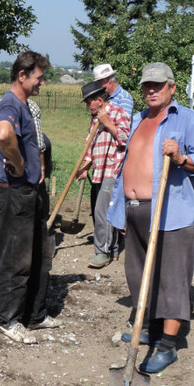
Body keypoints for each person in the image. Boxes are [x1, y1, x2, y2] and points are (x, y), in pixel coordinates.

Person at [107, 62, 194, 373]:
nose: (151, 90)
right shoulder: (138, 119)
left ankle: (167, 347)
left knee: (172, 281)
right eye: (146, 85)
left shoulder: (187, 120)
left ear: (172, 87)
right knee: (141, 276)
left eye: (157, 85)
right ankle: (149, 329)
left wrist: (182, 157)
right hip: (135, 211)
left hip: (171, 213)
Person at [0, 50, 59, 344]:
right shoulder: (10, 104)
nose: (41, 84)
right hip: (14, 192)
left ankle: (34, 316)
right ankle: (9, 320)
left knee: (35, 256)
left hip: (29, 191)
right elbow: (3, 133)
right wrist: (18, 164)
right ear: (22, 75)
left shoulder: (23, 105)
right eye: (39, 78)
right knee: (15, 258)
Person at [75, 80, 131, 268]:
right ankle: (113, 249)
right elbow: (91, 145)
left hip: (113, 169)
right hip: (99, 169)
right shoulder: (94, 117)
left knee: (102, 213)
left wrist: (107, 122)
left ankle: (102, 252)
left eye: (89, 102)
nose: (87, 106)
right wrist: (85, 166)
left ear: (99, 99)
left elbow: (125, 138)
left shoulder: (117, 113)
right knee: (106, 211)